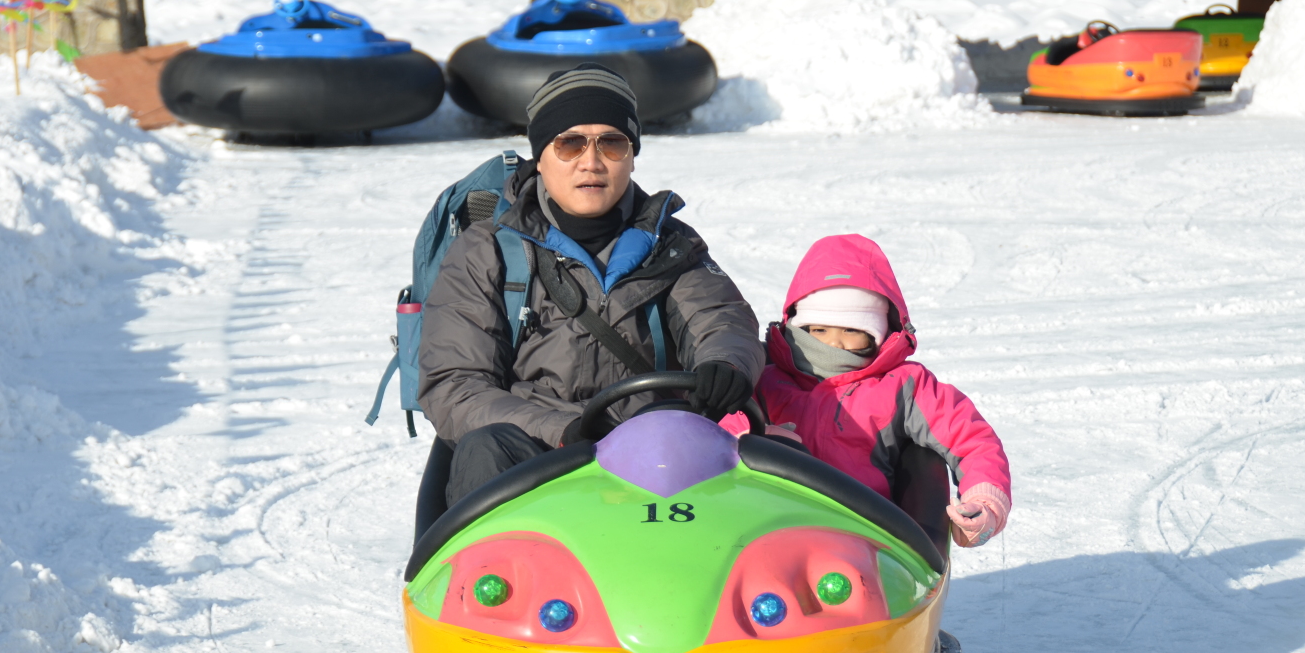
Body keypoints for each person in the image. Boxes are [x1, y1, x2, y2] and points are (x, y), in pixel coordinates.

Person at [419, 63, 764, 505]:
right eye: (570, 143)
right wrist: (564, 431)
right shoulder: (486, 251)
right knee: (486, 447)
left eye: (612, 143)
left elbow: (721, 320)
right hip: (537, 455)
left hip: (655, 454)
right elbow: (456, 384)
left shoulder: (670, 244)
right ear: (540, 155)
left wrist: (726, 365)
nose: (592, 161)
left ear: (633, 154)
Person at [755, 234, 1012, 548]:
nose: (834, 344)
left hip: (867, 541)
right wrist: (748, 438)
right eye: (819, 330)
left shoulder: (902, 386)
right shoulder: (766, 381)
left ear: (876, 334)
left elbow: (971, 438)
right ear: (797, 328)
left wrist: (984, 503)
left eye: (851, 331)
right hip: (769, 533)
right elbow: (714, 431)